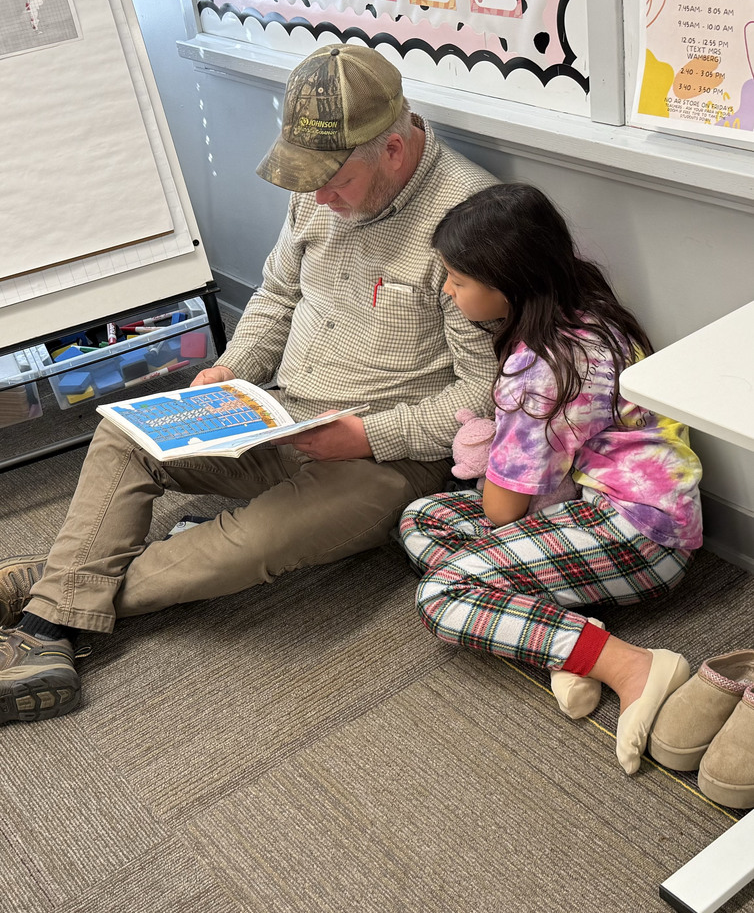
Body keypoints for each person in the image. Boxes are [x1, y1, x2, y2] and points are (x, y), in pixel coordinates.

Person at [0, 44, 501, 724]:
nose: (318, 196)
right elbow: (276, 296)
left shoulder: (469, 221)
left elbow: (482, 398)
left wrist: (366, 435)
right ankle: (59, 606)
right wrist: (230, 371)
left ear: (391, 150)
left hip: (384, 458)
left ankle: (51, 609)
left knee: (252, 542)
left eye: (335, 180)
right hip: (276, 416)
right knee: (123, 433)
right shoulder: (318, 193)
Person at [399, 183, 703, 774]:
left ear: (505, 282)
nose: (446, 290)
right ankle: (572, 640)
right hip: (630, 509)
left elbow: (502, 512)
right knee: (423, 518)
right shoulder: (588, 303)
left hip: (638, 536)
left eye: (458, 281)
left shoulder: (540, 372)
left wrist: (493, 453)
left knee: (441, 594)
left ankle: (628, 664)